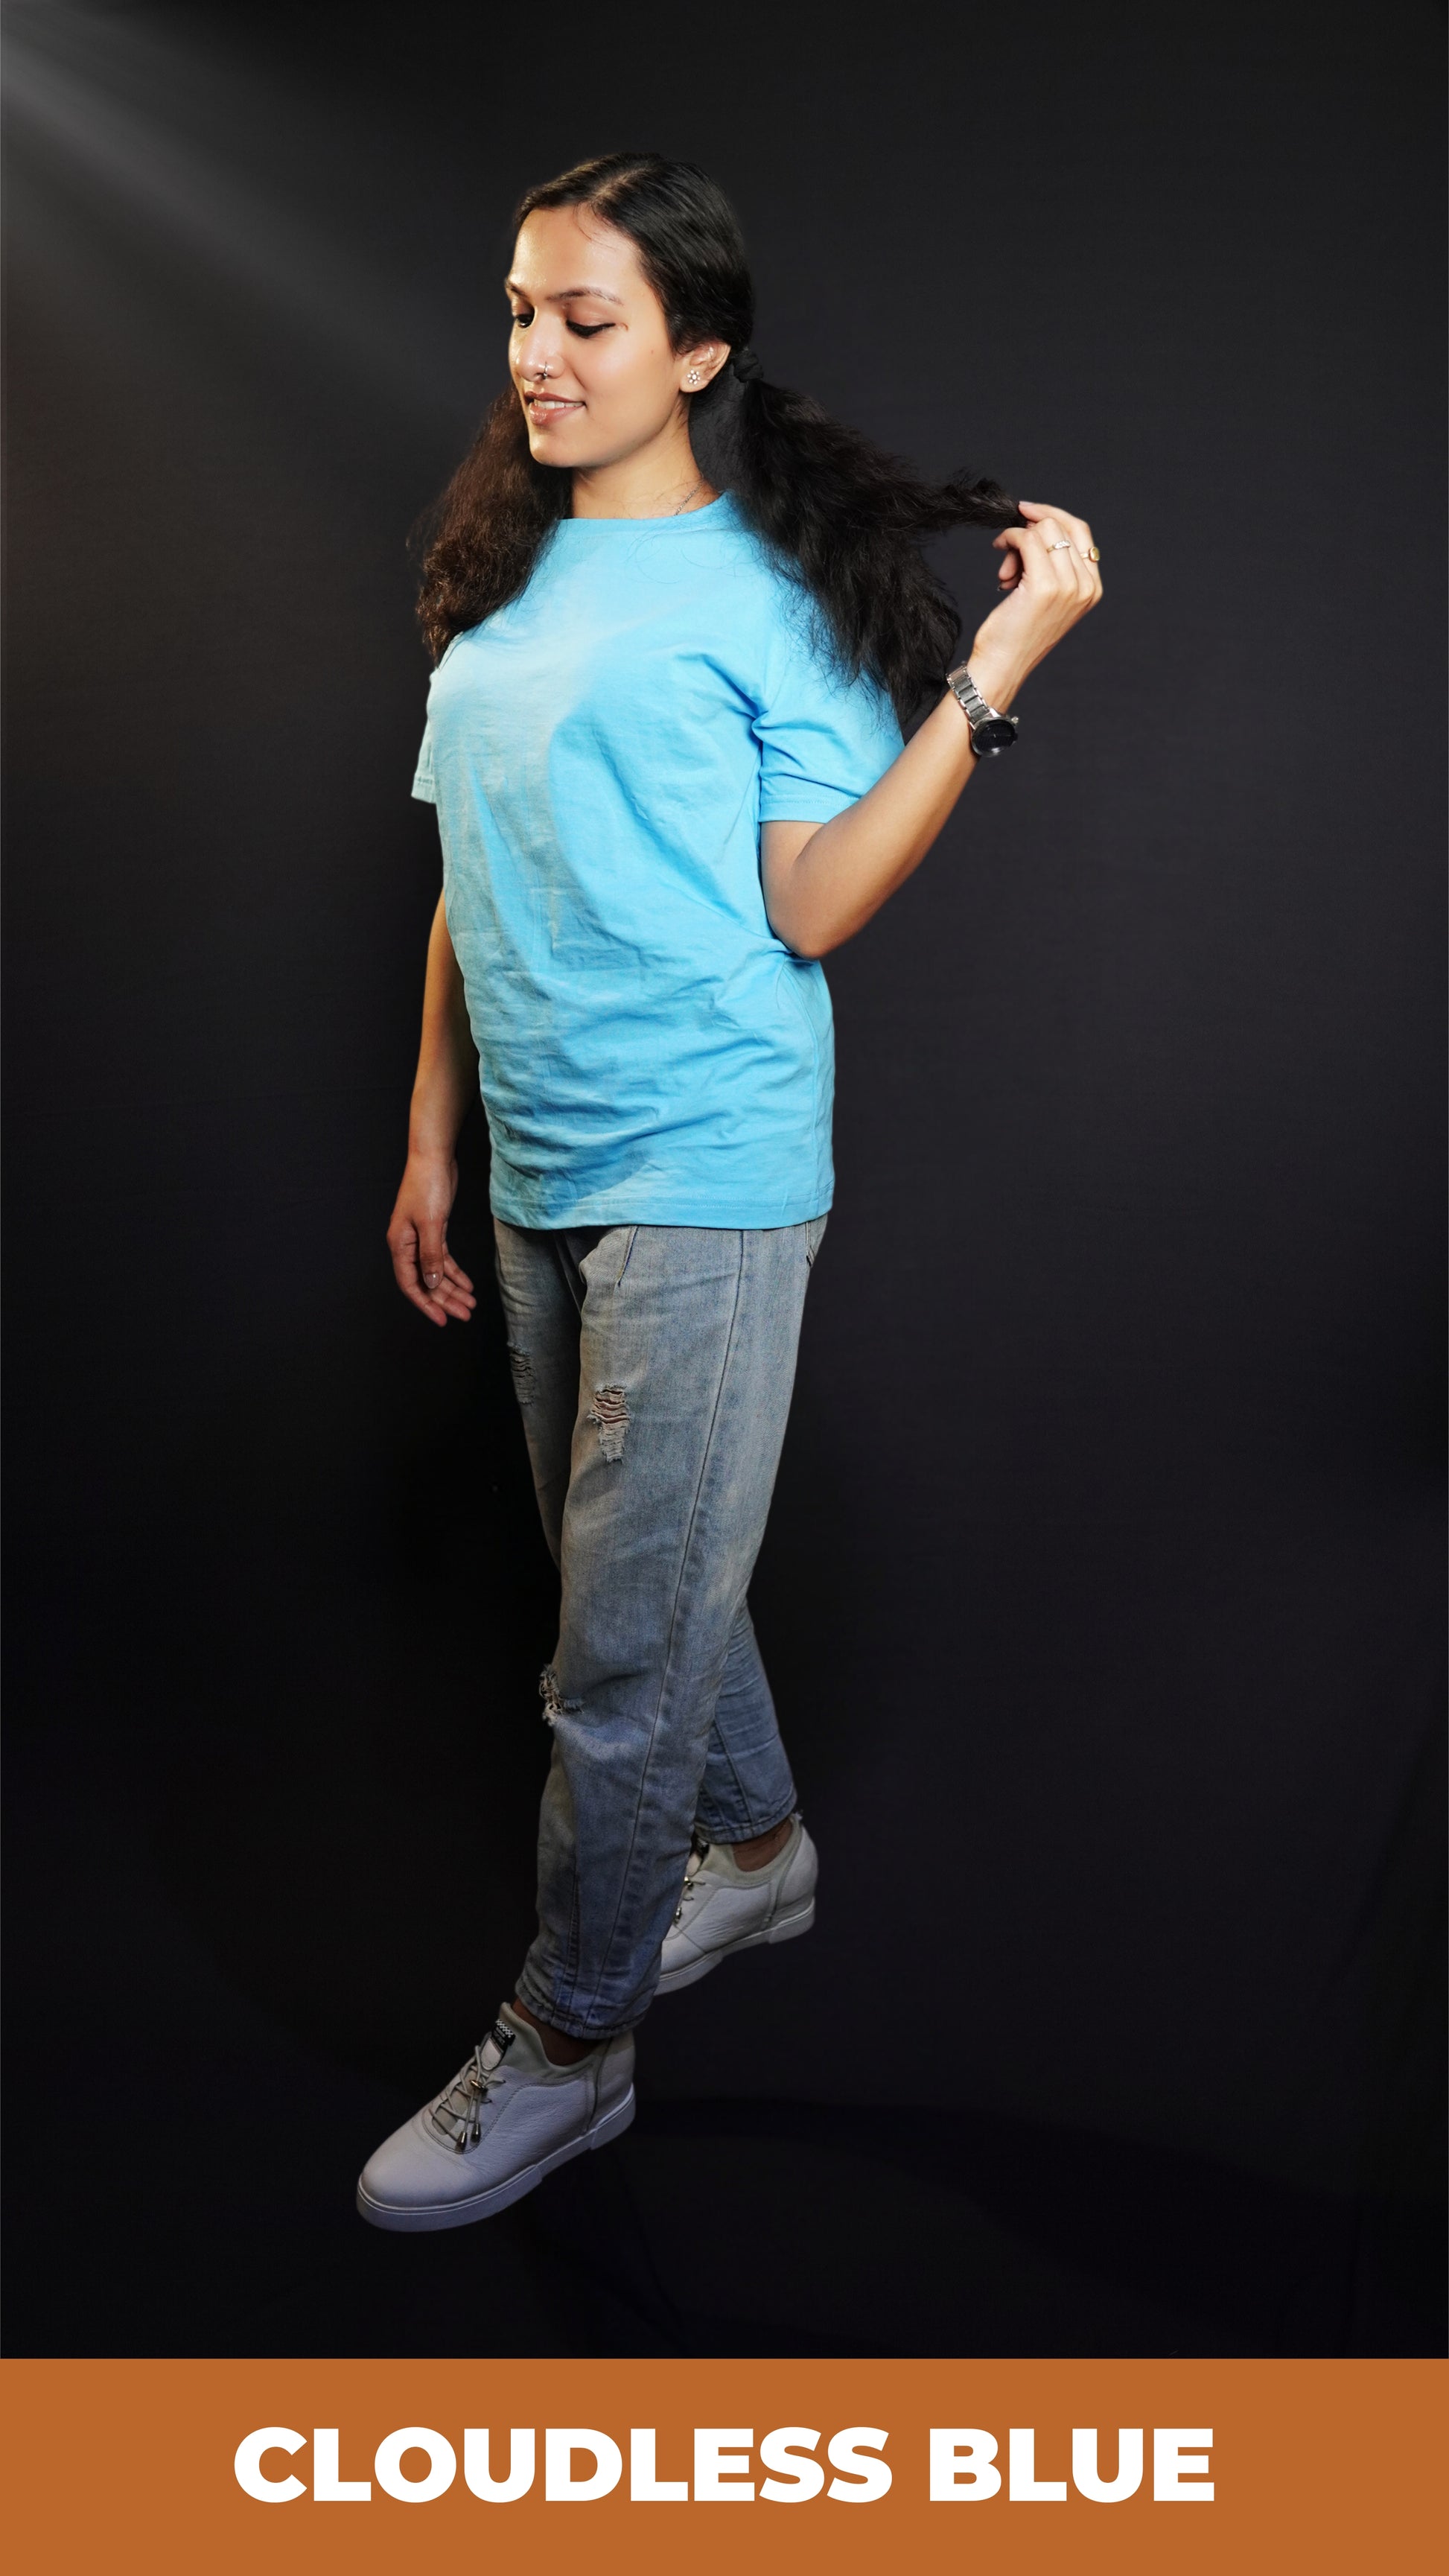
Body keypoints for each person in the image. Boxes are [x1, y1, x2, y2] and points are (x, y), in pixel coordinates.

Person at [356, 151, 1101, 2231]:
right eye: (518, 311)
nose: (536, 355)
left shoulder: (765, 599)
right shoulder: (505, 577)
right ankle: (752, 1849)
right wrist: (429, 1134)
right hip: (534, 1158)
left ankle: (569, 2043)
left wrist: (996, 667)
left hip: (704, 1161)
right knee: (642, 1588)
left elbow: (815, 899)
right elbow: (461, 868)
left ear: (695, 349)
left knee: (610, 1658)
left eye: (585, 321)